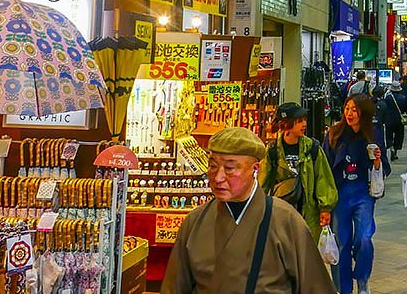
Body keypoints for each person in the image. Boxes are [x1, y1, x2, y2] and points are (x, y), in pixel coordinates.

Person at [163, 127, 333, 294]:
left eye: (229, 168)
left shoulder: (285, 220)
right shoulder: (195, 222)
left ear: (255, 169)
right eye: (213, 166)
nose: (218, 177)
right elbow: (174, 287)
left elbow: (316, 286)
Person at [324, 95, 389, 294]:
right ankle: (343, 288)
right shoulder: (334, 134)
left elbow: (384, 168)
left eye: (355, 110)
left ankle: (362, 278)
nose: (349, 113)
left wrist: (377, 161)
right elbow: (325, 167)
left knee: (364, 238)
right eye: (347, 108)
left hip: (363, 193)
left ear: (364, 113)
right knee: (342, 242)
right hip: (340, 193)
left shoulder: (374, 134)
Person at [259, 102, 338, 243]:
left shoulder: (312, 148)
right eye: (299, 121)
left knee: (305, 250)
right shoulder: (273, 151)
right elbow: (263, 182)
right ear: (287, 124)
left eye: (304, 120)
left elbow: (323, 178)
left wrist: (325, 208)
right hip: (281, 212)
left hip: (308, 213)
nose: (304, 124)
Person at [374, 86, 405, 161]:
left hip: (389, 119)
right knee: (399, 135)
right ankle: (396, 150)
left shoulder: (388, 98)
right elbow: (405, 108)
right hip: (399, 120)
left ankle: (391, 146)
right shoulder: (403, 98)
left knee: (389, 135)